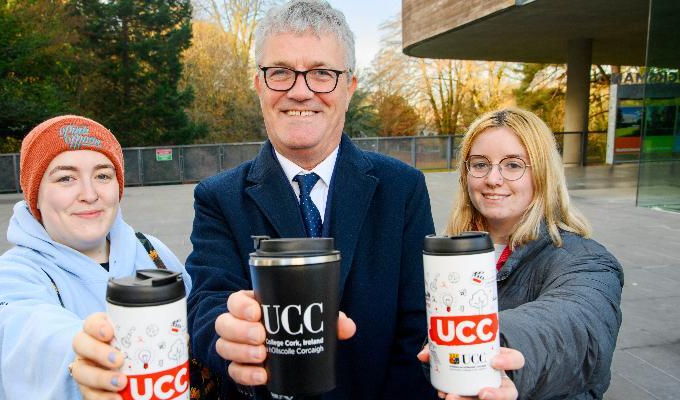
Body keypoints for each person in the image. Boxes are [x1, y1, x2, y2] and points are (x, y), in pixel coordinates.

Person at [184, 1, 521, 399]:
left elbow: (418, 325)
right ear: (259, 85)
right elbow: (207, 303)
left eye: (322, 74)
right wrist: (232, 334)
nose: (300, 90)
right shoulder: (218, 197)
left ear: (349, 87)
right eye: (280, 73)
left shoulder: (402, 188)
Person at [0, 115, 191, 399]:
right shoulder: (7, 276)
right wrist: (80, 356)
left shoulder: (152, 251)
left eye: (103, 175)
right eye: (66, 178)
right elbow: (8, 331)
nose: (89, 194)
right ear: (35, 195)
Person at [437, 107, 624, 399]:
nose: (493, 179)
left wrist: (486, 346)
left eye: (513, 165)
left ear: (543, 173)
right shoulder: (450, 255)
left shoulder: (587, 260)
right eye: (480, 164)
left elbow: (580, 325)